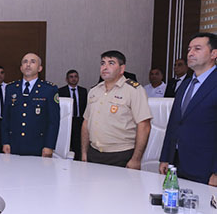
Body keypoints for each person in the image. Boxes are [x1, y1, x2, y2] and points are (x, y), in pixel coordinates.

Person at [159, 32, 217, 186]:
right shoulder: (185, 84)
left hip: (206, 167)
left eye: (197, 49)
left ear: (214, 54)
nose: (190, 53)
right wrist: (166, 157)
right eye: (189, 49)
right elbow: (174, 123)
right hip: (177, 164)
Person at [82, 50, 152, 169]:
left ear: (122, 68)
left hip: (121, 155)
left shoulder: (134, 90)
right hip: (94, 154)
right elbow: (86, 122)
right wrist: (84, 152)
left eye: (111, 63)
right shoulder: (94, 91)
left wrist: (136, 159)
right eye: (103, 63)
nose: (105, 67)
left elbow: (144, 125)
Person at [1, 53, 60, 157]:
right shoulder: (11, 88)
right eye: (25, 62)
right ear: (21, 68)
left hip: (38, 146)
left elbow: (53, 121)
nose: (28, 64)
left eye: (33, 62)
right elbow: (6, 117)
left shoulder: (49, 89)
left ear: (40, 68)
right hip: (14, 145)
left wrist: (49, 146)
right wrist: (5, 141)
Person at [58, 69, 87, 160]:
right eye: (71, 77)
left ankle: (78, 160)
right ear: (67, 79)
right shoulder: (61, 91)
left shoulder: (83, 91)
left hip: (79, 121)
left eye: (75, 77)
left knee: (78, 143)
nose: (74, 79)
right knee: (66, 142)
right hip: (66, 121)